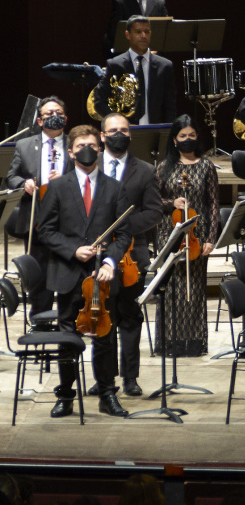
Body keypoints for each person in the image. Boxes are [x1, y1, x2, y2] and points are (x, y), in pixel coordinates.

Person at [36, 125, 132, 418]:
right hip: (68, 272)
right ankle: (65, 395)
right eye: (80, 146)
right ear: (70, 152)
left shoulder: (114, 187)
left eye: (91, 145)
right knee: (68, 336)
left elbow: (123, 234)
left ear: (100, 149)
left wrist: (110, 262)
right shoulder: (57, 187)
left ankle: (107, 394)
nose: (86, 150)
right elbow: (46, 230)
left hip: (101, 276)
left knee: (105, 337)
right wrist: (73, 249)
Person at [87, 112, 163, 397]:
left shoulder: (145, 170)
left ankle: (130, 377)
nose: (119, 134)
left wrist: (121, 229)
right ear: (102, 136)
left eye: (124, 130)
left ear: (130, 135)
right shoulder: (89, 165)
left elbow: (154, 212)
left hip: (133, 254)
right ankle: (104, 378)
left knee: (130, 317)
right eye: (113, 130)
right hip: (97, 254)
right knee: (102, 318)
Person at [154, 115, 220, 357]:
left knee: (195, 289)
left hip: (196, 236)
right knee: (172, 289)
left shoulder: (206, 167)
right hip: (169, 235)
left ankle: (192, 342)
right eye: (183, 136)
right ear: (174, 139)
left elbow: (213, 205)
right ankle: (169, 342)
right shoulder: (163, 167)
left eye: (192, 135)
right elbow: (153, 201)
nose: (187, 139)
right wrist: (172, 202)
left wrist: (211, 239)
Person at [6, 96, 73, 318]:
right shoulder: (24, 145)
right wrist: (23, 183)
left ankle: (68, 324)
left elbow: (89, 175)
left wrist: (66, 179)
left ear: (65, 118)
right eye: (49, 114)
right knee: (39, 280)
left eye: (58, 113)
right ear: (39, 121)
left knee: (68, 277)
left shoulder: (75, 143)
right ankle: (39, 322)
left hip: (69, 222)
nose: (54, 117)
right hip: (36, 221)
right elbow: (11, 177)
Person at [94, 15, 176, 125]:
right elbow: (99, 102)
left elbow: (170, 105)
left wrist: (167, 130)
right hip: (125, 130)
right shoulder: (115, 64)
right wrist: (120, 123)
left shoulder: (165, 66)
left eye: (147, 32)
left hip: (156, 129)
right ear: (127, 35)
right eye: (138, 32)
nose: (143, 36)